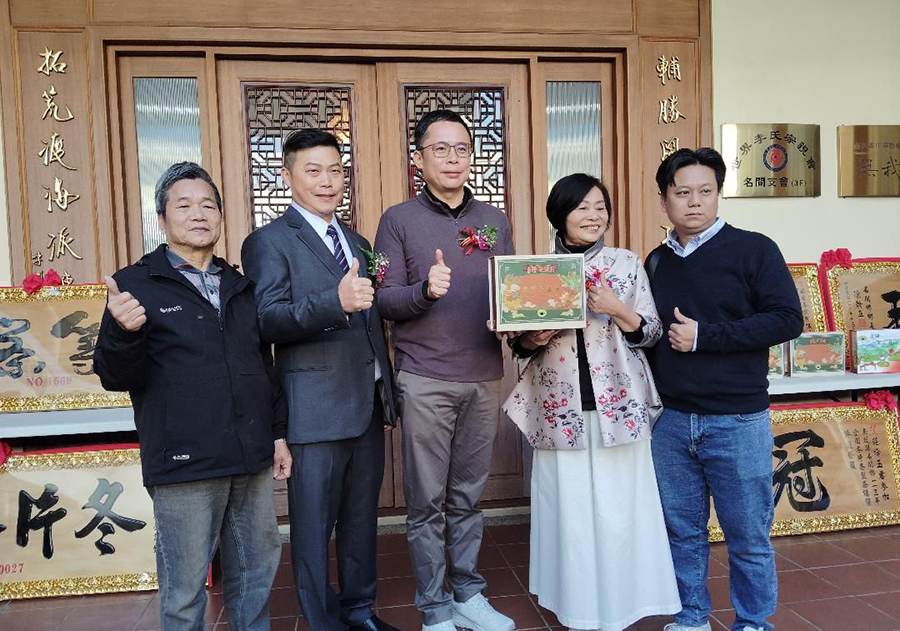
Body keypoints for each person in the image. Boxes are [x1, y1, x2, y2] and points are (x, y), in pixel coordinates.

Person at [94, 162, 289, 631]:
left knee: (255, 574)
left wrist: (277, 435)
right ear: (162, 218)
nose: (198, 214)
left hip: (249, 455)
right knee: (184, 590)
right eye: (183, 205)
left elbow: (263, 366)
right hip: (184, 461)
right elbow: (114, 376)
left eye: (207, 205)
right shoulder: (136, 284)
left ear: (220, 215)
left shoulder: (240, 285)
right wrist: (122, 332)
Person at [502, 173, 681, 631]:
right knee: (570, 513)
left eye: (600, 207)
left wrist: (617, 309)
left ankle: (626, 605)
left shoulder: (626, 264)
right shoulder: (536, 270)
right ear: (559, 215)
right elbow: (518, 345)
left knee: (622, 510)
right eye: (582, 207)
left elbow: (653, 332)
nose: (593, 215)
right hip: (558, 408)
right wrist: (532, 337)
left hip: (618, 404)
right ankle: (577, 608)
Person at [241, 129, 398, 631]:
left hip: (365, 405)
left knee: (361, 522)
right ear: (287, 176)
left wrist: (386, 394)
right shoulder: (268, 242)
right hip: (313, 410)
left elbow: (372, 323)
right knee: (312, 530)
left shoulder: (358, 242)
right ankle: (323, 621)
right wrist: (335, 302)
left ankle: (359, 610)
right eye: (313, 171)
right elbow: (266, 319)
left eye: (335, 170)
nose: (327, 181)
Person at [645, 148, 803, 631]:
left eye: (705, 191)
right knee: (681, 532)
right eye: (682, 192)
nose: (694, 202)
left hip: (737, 420)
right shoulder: (656, 261)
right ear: (664, 199)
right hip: (671, 421)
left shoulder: (754, 249)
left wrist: (705, 337)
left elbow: (787, 319)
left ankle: (753, 621)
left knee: (747, 535)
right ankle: (691, 615)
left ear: (718, 194)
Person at [373, 109, 515, 631]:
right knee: (427, 502)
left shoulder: (495, 220)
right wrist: (424, 291)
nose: (452, 158)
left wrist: (525, 322)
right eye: (440, 148)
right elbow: (383, 299)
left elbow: (510, 291)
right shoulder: (397, 220)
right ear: (419, 158)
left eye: (461, 148)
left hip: (483, 374)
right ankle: (434, 607)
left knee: (469, 497)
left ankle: (468, 594)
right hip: (425, 377)